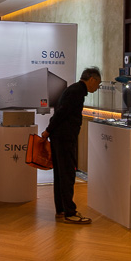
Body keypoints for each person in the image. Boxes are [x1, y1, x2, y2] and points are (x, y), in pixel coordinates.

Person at [41, 67, 101, 224]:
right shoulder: (76, 91)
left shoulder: (74, 89)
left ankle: (61, 209)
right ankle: (70, 212)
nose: (97, 87)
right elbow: (62, 113)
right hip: (64, 138)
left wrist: (49, 131)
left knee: (60, 174)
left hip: (60, 137)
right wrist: (47, 131)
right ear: (92, 79)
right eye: (98, 83)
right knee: (67, 174)